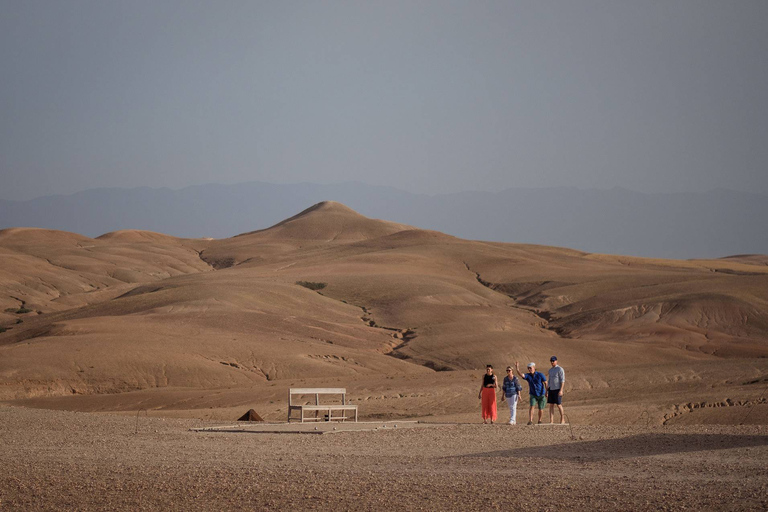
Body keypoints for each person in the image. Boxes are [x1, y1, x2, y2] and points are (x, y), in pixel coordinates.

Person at [547, 356, 566, 424]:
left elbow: (562, 380)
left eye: (553, 361)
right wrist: (547, 389)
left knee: (559, 404)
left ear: (556, 361)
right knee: (551, 405)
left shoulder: (560, 369)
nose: (552, 362)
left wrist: (561, 390)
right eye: (551, 361)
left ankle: (562, 419)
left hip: (557, 389)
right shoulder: (550, 370)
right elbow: (549, 380)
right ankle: (551, 421)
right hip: (551, 389)